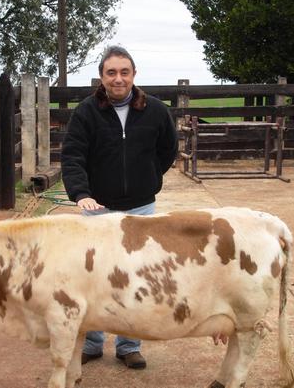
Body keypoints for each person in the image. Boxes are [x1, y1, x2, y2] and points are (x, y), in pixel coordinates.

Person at [60, 45, 178, 370]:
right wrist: (81, 193)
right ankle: (94, 343)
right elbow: (72, 156)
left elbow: (168, 150)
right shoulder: (86, 112)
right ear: (101, 76)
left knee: (135, 278)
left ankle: (129, 345)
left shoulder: (155, 110)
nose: (118, 78)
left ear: (134, 75)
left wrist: (149, 177)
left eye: (124, 72)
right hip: (97, 209)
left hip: (140, 210)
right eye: (111, 72)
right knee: (95, 279)